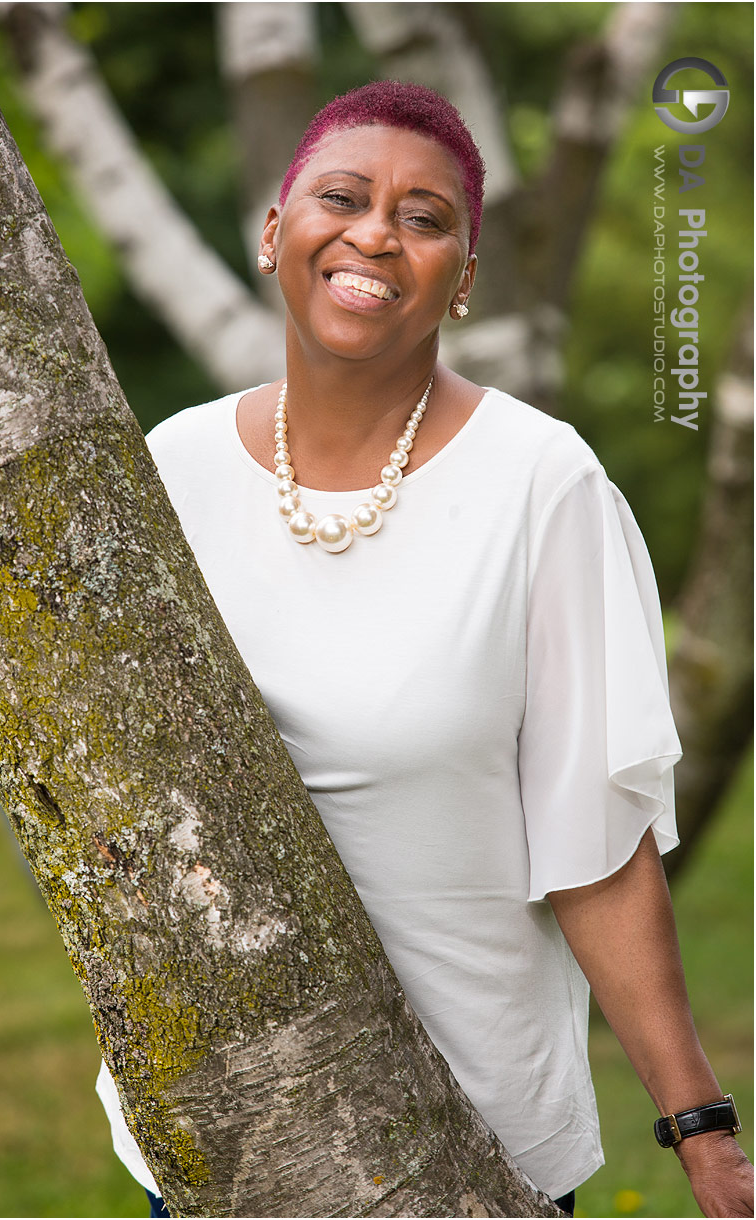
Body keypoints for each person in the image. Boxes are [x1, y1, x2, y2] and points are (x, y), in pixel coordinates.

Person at [96, 81, 753, 1218]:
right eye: (341, 197)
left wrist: (706, 1136)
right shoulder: (174, 467)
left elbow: (596, 844)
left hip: (463, 1148)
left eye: (425, 216)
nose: (374, 235)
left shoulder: (543, 487)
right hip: (216, 1137)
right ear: (273, 232)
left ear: (464, 276)